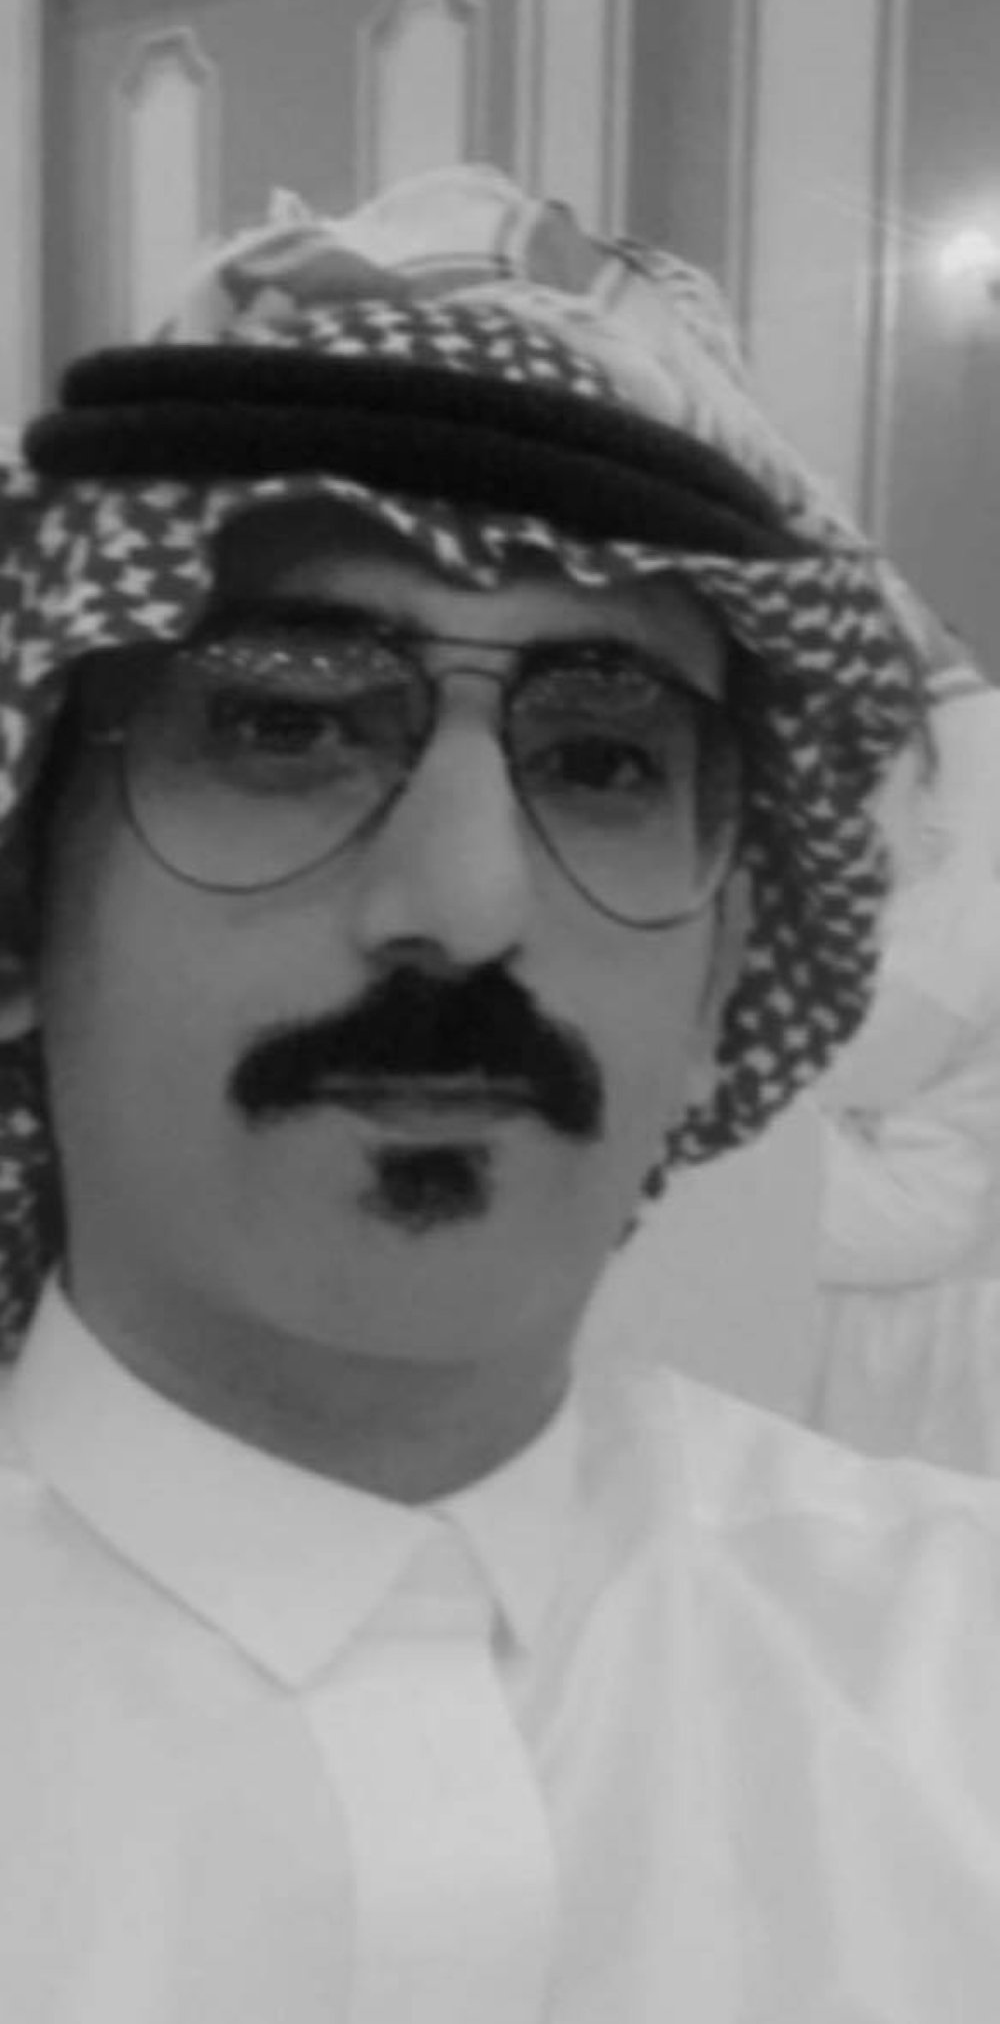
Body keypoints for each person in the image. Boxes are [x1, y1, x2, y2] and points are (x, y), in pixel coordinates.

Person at [2, 163, 1000, 2020]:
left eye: (605, 759)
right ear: (19, 903)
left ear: (724, 967)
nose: (467, 906)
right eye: (288, 722)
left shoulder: (951, 1677)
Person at [811, 669, 1000, 1468]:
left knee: (726, 1163)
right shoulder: (901, 916)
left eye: (860, 793)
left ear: (929, 802)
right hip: (891, 1177)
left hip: (923, 1198)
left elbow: (865, 1066)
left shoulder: (962, 919)